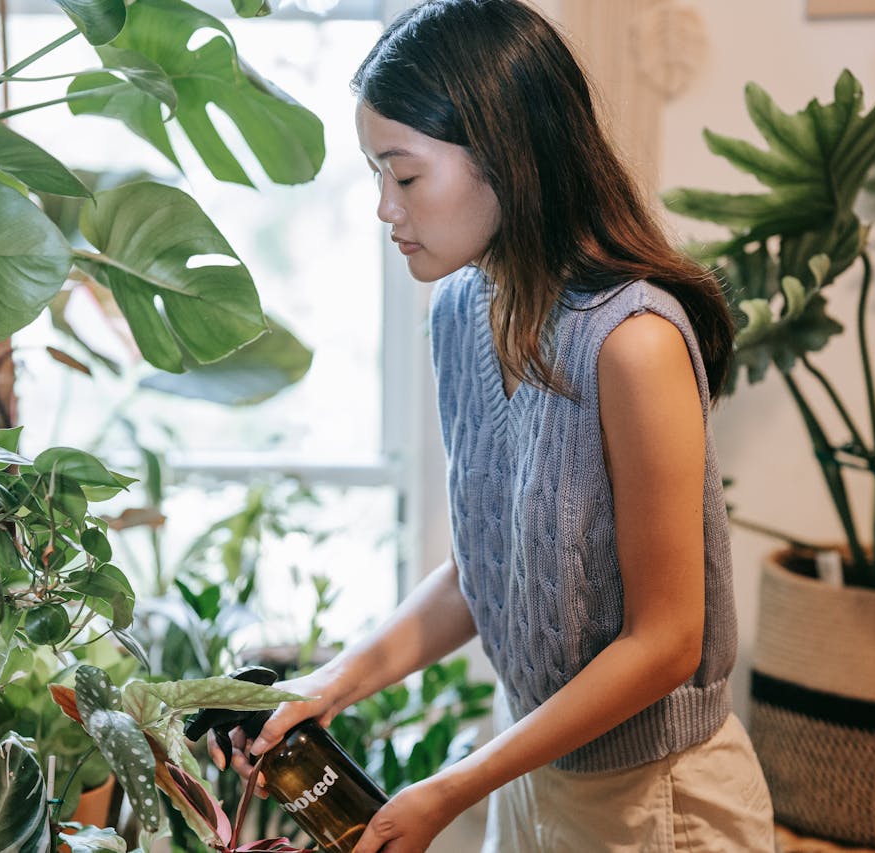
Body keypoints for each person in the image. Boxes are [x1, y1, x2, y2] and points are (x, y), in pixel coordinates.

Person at [221, 1, 775, 850]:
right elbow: (484, 573)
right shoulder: (459, 311)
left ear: (509, 160)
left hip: (662, 801)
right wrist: (329, 683)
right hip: (536, 776)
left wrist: (453, 785)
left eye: (404, 177)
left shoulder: (634, 342)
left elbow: (667, 642)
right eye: (378, 176)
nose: (384, 209)